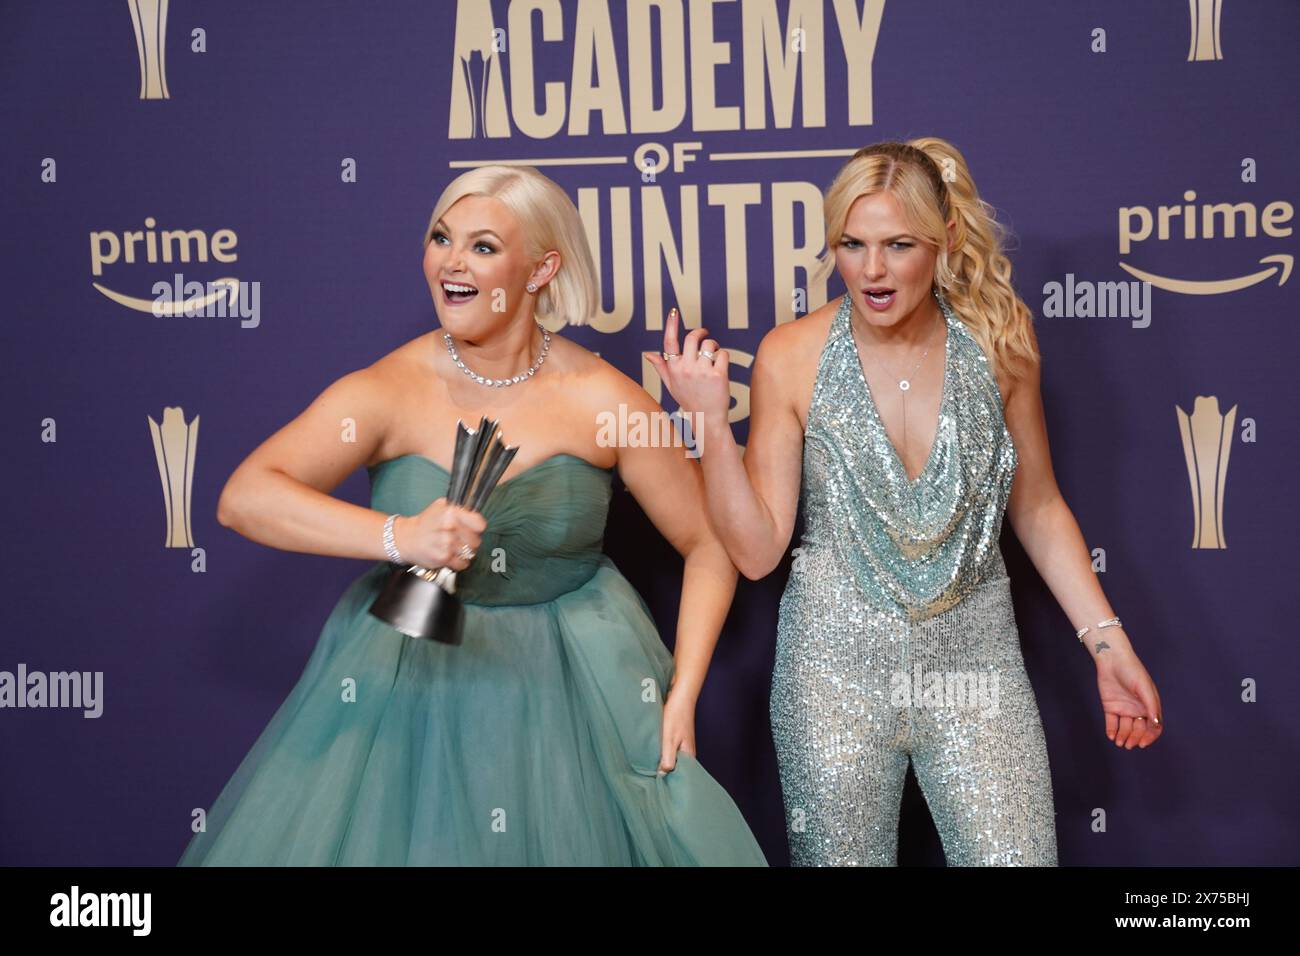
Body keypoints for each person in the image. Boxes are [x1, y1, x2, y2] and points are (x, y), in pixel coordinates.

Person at [178, 164, 767, 866]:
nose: (451, 262)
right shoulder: (389, 388)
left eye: (483, 246)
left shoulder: (605, 400)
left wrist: (682, 694)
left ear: (542, 268)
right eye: (440, 238)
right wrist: (399, 536)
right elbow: (244, 498)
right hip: (413, 669)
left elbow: (708, 543)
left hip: (580, 684)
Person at [647, 138, 1164, 866]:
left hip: (979, 673)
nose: (872, 270)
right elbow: (759, 550)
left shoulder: (1001, 341)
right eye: (852, 245)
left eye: (898, 245)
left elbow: (1039, 507)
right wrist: (707, 421)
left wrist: (1108, 645)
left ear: (945, 238)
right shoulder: (789, 355)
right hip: (832, 680)